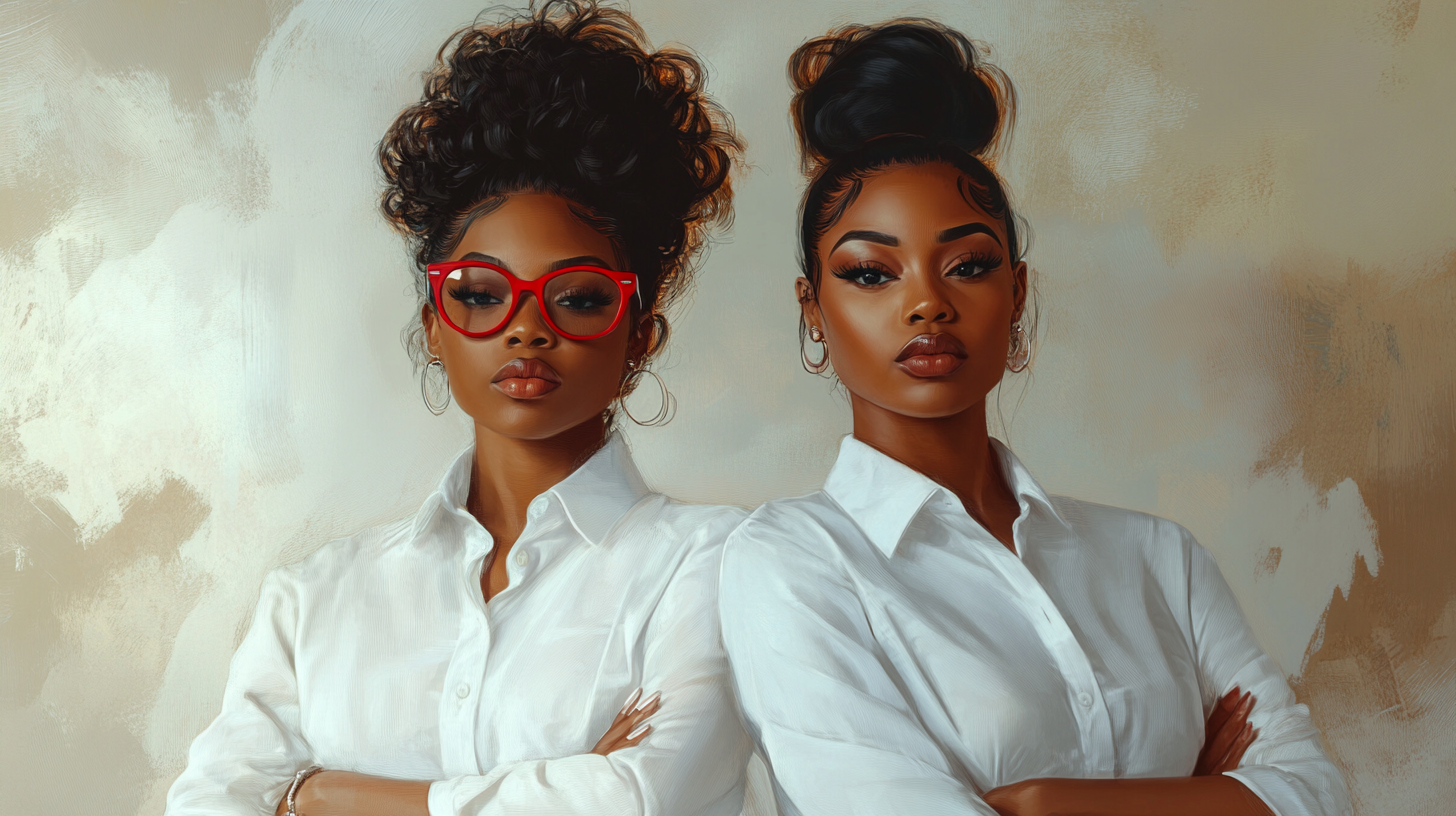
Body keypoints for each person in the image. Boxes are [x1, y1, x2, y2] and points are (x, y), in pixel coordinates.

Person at [719, 18, 1350, 816]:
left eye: (969, 265)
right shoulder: (789, 564)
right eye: (872, 273)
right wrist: (1197, 797)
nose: (926, 303)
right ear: (814, 309)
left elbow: (1317, 798)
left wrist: (1044, 802)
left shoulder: (1161, 562)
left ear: (1016, 293)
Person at [164, 3, 749, 814]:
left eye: (578, 297)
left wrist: (320, 798)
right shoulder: (312, 601)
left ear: (640, 335)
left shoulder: (717, 566)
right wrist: (566, 780)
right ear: (435, 326)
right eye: (479, 293)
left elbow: (638, 800)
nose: (527, 327)